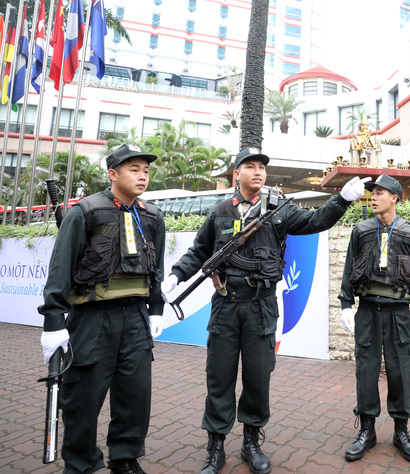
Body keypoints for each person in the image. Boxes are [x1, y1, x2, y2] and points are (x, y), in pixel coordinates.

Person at [161, 147, 369, 474]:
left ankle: (251, 442)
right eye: (250, 166)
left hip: (261, 306)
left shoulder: (280, 210)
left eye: (262, 167)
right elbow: (199, 251)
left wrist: (341, 199)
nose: (258, 171)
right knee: (219, 377)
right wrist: (176, 274)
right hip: (227, 305)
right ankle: (215, 447)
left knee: (258, 377)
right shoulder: (220, 212)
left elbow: (316, 221)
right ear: (237, 174)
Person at [38, 144, 166, 474]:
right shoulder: (85, 212)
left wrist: (156, 308)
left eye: (146, 170)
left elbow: (157, 268)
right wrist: (54, 319)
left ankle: (124, 458)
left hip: (136, 318)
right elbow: (61, 266)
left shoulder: (152, 216)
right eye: (134, 169)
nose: (142, 176)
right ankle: (80, 463)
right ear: (113, 174)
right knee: (82, 398)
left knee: (136, 395)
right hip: (93, 318)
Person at [338, 174, 410, 463]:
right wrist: (346, 304)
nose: (374, 196)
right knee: (366, 371)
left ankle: (401, 432)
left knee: (401, 372)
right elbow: (348, 271)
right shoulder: (361, 231)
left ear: (395, 198)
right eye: (372, 192)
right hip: (368, 311)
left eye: (380, 192)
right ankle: (367, 430)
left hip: (398, 313)